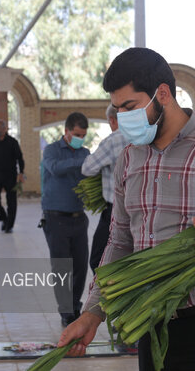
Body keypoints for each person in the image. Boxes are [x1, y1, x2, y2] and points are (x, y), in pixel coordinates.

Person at [58, 47, 195, 371]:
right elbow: (119, 241)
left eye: (130, 106)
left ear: (163, 94)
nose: (123, 117)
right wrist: (93, 312)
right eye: (117, 109)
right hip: (155, 323)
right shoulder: (129, 158)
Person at [41, 112, 91, 327]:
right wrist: (80, 161)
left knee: (80, 267)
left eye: (83, 135)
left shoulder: (85, 152)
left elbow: (89, 173)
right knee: (62, 268)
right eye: (77, 134)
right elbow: (55, 168)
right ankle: (65, 312)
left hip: (79, 218)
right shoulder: (52, 150)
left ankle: (75, 307)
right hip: (56, 218)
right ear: (67, 132)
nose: (81, 138)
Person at [81, 105, 129, 272]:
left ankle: (108, 294)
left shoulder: (113, 141)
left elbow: (87, 168)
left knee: (97, 259)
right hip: (141, 209)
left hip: (115, 211)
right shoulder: (145, 137)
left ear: (112, 120)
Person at [0, 120, 25, 234]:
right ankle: (4, 219)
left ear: (4, 129)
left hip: (11, 176)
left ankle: (9, 225)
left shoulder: (12, 142)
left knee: (11, 201)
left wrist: (21, 173)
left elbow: (20, 158)